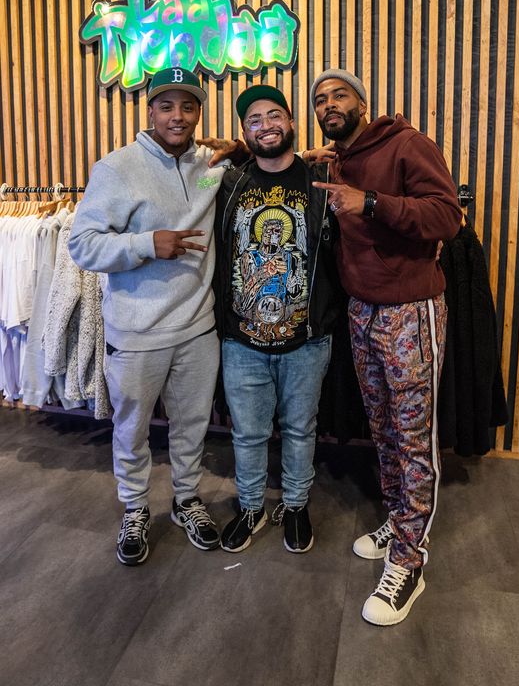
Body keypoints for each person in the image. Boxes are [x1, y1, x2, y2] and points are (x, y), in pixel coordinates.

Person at [311, 69, 462, 625]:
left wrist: (371, 203)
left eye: (339, 95)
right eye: (320, 99)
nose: (329, 104)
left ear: (362, 103)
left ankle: (410, 561)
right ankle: (400, 520)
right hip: (362, 311)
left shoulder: (407, 144)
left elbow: (447, 216)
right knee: (383, 429)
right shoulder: (338, 158)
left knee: (413, 437)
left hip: (409, 311)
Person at [68, 67, 230, 566]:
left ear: (198, 112)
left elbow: (247, 165)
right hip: (136, 332)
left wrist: (255, 152)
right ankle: (135, 507)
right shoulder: (117, 168)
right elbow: (82, 245)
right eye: (167, 106)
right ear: (151, 110)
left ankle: (186, 499)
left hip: (198, 327)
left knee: (192, 424)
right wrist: (145, 244)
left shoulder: (209, 165)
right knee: (132, 428)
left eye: (188, 106)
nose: (177, 116)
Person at [215, 84, 340, 554]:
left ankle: (295, 504)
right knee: (247, 433)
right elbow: (189, 186)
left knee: (300, 429)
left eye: (274, 116)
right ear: (244, 131)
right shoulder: (226, 182)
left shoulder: (321, 178)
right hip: (241, 340)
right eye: (254, 120)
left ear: (290, 120)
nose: (265, 126)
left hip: (306, 339)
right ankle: (251, 507)